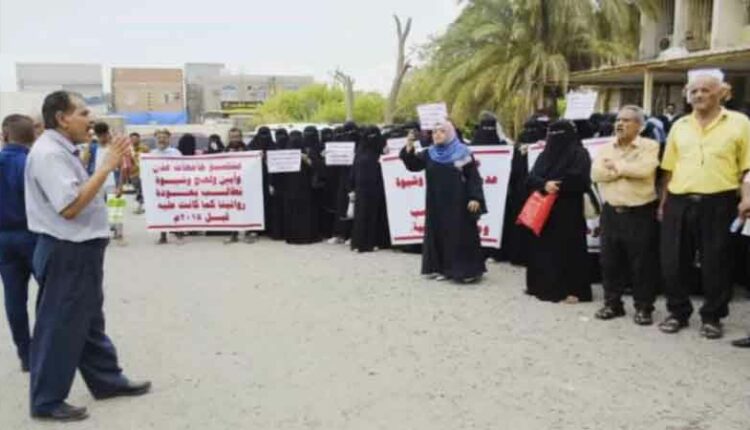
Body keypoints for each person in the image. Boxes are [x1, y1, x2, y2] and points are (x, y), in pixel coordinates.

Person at [25, 91, 150, 422]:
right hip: (67, 250)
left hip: (80, 250)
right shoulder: (50, 154)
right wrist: (106, 166)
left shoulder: (62, 150)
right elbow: (69, 207)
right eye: (82, 113)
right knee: (60, 325)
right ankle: (47, 399)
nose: (90, 119)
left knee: (89, 320)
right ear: (61, 118)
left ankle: (106, 380)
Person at [658, 69, 750, 339]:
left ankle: (712, 317)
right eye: (694, 91)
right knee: (674, 261)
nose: (698, 95)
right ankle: (677, 312)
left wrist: (747, 197)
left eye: (705, 90)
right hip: (679, 200)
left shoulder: (740, 123)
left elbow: (748, 166)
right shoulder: (680, 125)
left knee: (716, 262)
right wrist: (663, 203)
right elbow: (668, 169)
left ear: (721, 93)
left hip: (719, 201)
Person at [591, 106, 660, 325]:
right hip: (611, 212)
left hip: (640, 212)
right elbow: (596, 173)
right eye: (618, 120)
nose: (620, 124)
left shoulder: (650, 146)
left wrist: (615, 167)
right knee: (610, 261)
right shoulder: (606, 147)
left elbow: (645, 170)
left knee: (642, 263)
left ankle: (644, 307)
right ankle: (613, 304)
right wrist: (624, 169)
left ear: (639, 125)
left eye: (627, 120)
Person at [400, 121, 486, 283]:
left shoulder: (462, 153)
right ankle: (442, 269)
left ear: (450, 133)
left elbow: (473, 177)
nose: (437, 135)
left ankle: (466, 271)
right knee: (439, 234)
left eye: (441, 131)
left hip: (458, 202)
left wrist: (475, 197)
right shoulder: (430, 153)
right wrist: (409, 145)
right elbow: (412, 165)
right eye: (434, 132)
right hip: (436, 203)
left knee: (459, 235)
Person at [525, 120, 593, 303]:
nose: (555, 138)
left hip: (568, 210)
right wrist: (544, 184)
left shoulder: (580, 154)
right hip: (544, 210)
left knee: (570, 249)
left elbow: (581, 179)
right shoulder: (544, 155)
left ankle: (574, 290)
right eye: (552, 133)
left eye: (560, 133)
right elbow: (531, 177)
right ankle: (541, 285)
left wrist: (558, 185)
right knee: (543, 249)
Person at [0, 114, 38, 373]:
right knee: (51, 293)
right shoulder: (31, 163)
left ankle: (26, 354)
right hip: (32, 234)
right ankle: (49, 348)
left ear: (4, 135)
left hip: (3, 237)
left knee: (14, 297)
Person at [350, 126, 390, 253]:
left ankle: (364, 242)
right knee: (367, 214)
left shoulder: (363, 151)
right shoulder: (369, 152)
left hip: (369, 187)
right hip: (369, 188)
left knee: (368, 214)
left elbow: (353, 172)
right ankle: (365, 243)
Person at [283, 130, 320, 244]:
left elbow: (317, 167)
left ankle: (305, 235)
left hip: (304, 187)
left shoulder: (307, 152)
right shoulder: (284, 154)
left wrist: (306, 159)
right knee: (293, 211)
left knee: (304, 212)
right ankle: (294, 236)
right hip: (291, 187)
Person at [151, 129, 184, 245]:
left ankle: (178, 232)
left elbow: (182, 168)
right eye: (159, 138)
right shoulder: (152, 153)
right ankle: (163, 235)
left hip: (173, 186)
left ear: (169, 139)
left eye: (164, 137)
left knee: (175, 209)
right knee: (161, 210)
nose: (162, 140)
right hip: (159, 187)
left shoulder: (175, 153)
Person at [225, 128, 254, 244]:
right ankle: (233, 234)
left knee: (247, 209)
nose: (235, 139)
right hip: (231, 185)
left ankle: (247, 233)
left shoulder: (248, 150)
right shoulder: (225, 151)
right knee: (232, 210)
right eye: (232, 137)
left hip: (246, 185)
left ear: (241, 137)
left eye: (237, 136)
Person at [92, 122, 117, 198]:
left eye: (104, 135)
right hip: (96, 182)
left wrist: (120, 185)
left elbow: (122, 167)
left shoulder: (114, 148)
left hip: (112, 182)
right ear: (97, 135)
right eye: (99, 135)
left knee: (112, 204)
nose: (102, 137)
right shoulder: (92, 148)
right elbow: (84, 164)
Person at [128, 132, 150, 214]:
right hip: (133, 173)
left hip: (143, 173)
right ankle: (140, 204)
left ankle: (141, 205)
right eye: (132, 139)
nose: (134, 140)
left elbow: (149, 159)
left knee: (142, 190)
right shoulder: (128, 149)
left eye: (135, 138)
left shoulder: (145, 148)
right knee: (137, 190)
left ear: (139, 139)